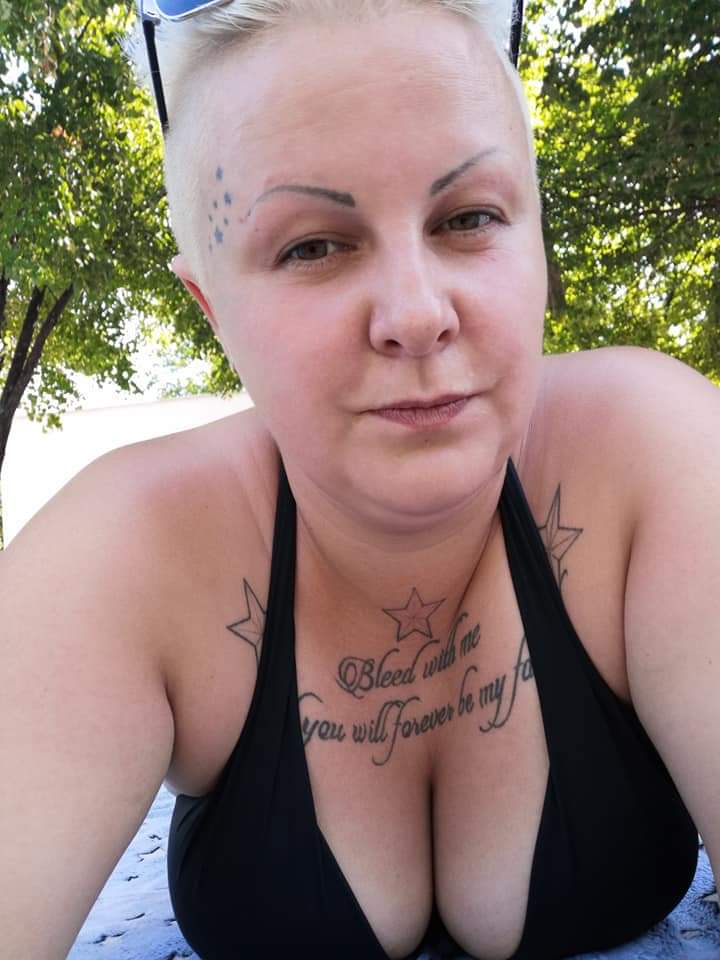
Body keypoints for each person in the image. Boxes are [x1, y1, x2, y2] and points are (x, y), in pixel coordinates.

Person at [1, 0, 718, 957]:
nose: (417, 316)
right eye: (312, 246)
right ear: (212, 307)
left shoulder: (660, 453)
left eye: (469, 217)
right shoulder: (125, 555)